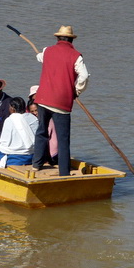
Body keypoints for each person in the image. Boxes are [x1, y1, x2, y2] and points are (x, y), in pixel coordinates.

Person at [32, 25, 89, 177]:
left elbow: (40, 57)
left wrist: (40, 55)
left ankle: (36, 165)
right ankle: (64, 172)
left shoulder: (47, 51)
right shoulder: (76, 56)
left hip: (43, 99)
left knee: (42, 131)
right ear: (71, 40)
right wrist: (76, 91)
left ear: (58, 38)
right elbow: (84, 76)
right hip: (62, 103)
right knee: (63, 139)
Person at [0, 97, 38, 168]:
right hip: (33, 156)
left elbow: (4, 143)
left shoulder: (10, 120)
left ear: (12, 109)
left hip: (16, 158)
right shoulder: (33, 118)